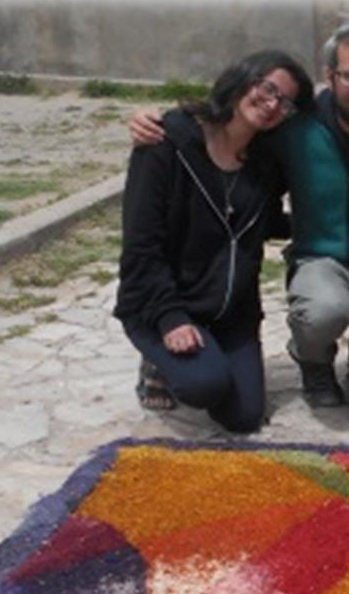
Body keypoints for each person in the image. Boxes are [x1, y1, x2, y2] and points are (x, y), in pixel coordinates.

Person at [130, 18, 349, 423]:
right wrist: (157, 120)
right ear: (331, 76)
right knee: (323, 310)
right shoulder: (297, 129)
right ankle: (314, 362)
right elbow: (231, 122)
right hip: (328, 270)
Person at [115, 50, 312, 433]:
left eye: (285, 102)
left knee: (244, 417)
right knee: (203, 385)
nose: (272, 104)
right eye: (266, 88)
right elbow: (141, 245)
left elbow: (265, 222)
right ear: (242, 79)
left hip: (232, 315)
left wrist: (326, 226)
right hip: (166, 305)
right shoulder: (168, 140)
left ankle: (210, 352)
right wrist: (169, 318)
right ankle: (157, 360)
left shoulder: (266, 163)